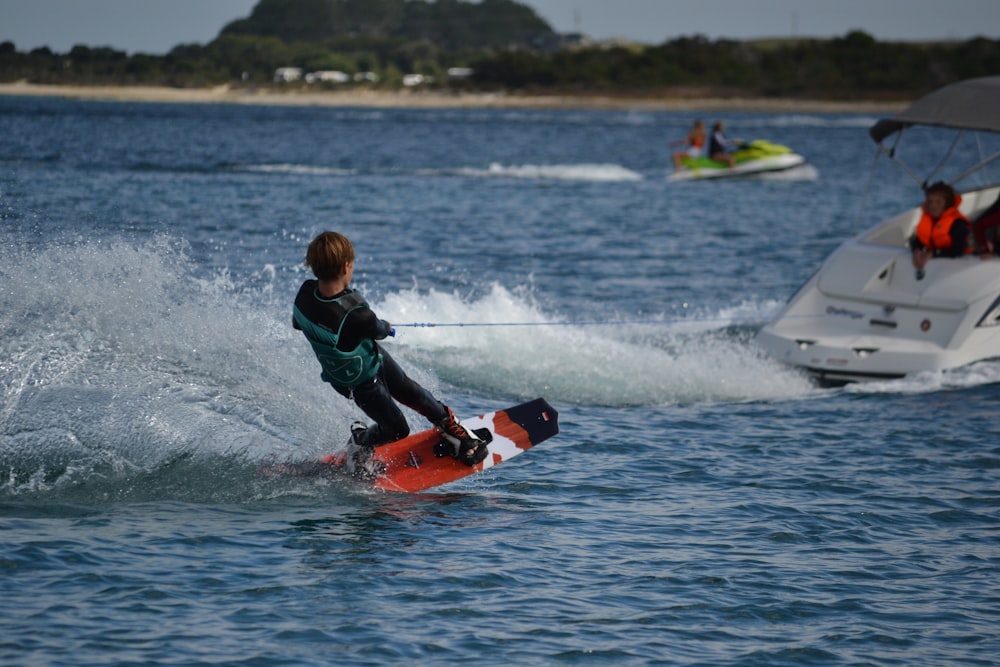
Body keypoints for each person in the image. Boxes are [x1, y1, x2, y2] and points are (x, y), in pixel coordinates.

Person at [292, 231, 488, 469]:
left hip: (366, 359)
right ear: (346, 267)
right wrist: (386, 327)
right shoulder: (357, 313)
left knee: (412, 391)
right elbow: (378, 329)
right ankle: (360, 442)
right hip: (359, 382)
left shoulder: (304, 294)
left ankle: (453, 428)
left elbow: (297, 322)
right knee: (397, 429)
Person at [908, 182, 970, 279]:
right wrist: (917, 250)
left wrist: (933, 254)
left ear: (947, 203)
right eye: (930, 201)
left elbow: (958, 251)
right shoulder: (929, 219)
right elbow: (919, 239)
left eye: (938, 202)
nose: (933, 205)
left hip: (962, 265)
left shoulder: (958, 224)